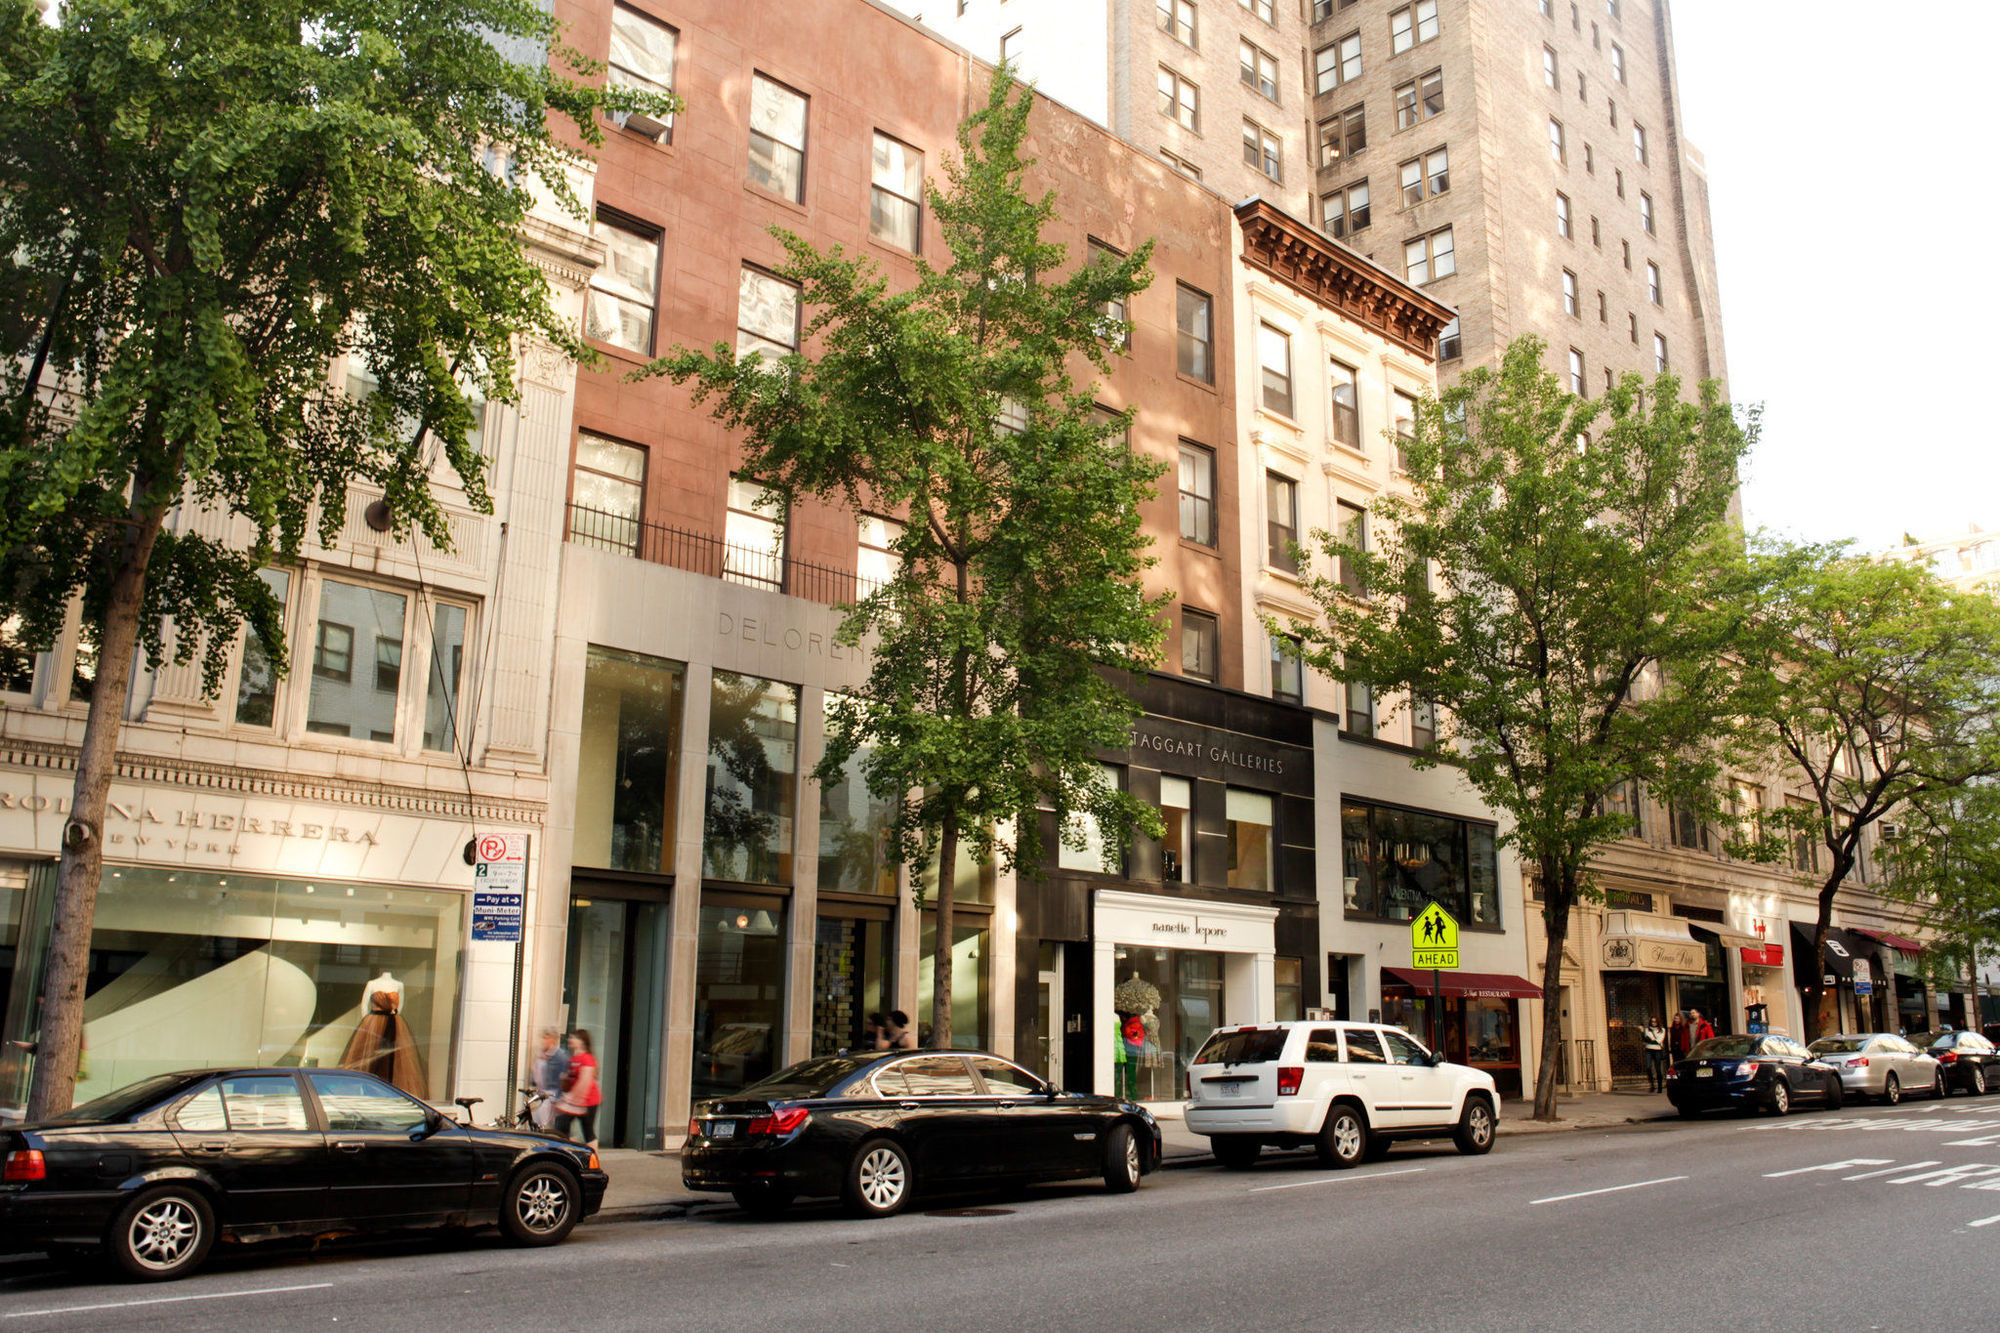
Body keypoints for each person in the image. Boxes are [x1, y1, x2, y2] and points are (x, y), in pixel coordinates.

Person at [554, 1029, 602, 1151]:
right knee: (561, 1125)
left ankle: (591, 1157)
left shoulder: (587, 1059)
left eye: (573, 1037)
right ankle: (572, 1149)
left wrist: (570, 1099)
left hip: (587, 1101)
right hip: (575, 1101)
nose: (570, 1040)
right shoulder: (574, 1058)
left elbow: (584, 1083)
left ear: (581, 1041)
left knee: (587, 1130)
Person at [532, 1026, 569, 1130]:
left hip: (552, 1095)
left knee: (541, 1123)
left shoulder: (560, 1056)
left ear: (553, 1039)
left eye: (546, 1038)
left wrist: (559, 1098)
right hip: (542, 1093)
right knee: (540, 1122)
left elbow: (563, 1078)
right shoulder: (542, 1054)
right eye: (543, 1038)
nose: (543, 1041)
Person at [1641, 1016, 1668, 1093]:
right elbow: (1644, 1040)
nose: (1653, 1023)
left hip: (1657, 1050)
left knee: (1658, 1068)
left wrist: (1650, 1040)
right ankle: (1652, 1084)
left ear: (1658, 1022)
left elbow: (1659, 1041)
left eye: (1655, 1022)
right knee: (1648, 1067)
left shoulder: (1662, 1030)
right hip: (1648, 1050)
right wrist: (1642, 1033)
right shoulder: (1647, 1030)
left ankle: (1660, 1086)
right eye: (1652, 1021)